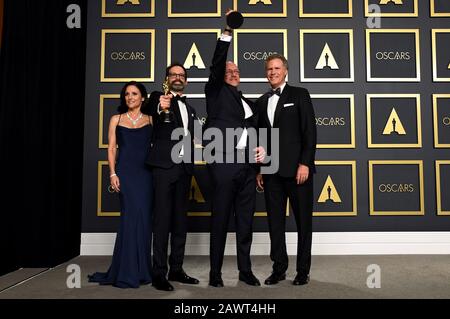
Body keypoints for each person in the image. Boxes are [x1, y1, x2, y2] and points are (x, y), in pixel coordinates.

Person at [204, 11, 265, 288]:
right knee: (219, 221)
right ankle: (215, 274)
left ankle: (245, 270)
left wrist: (260, 164)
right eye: (229, 71)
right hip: (223, 166)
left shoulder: (249, 103)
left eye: (237, 71)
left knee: (245, 223)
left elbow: (258, 136)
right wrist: (227, 32)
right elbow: (217, 65)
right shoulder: (215, 92)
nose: (233, 73)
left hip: (247, 169)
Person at [256, 54, 317, 286]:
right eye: (269, 69)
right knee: (275, 224)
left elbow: (309, 132)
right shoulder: (262, 101)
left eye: (277, 68)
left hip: (297, 171)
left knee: (303, 223)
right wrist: (260, 169)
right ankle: (279, 268)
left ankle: (303, 271)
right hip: (271, 172)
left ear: (285, 71)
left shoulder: (300, 94)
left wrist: (305, 163)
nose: (273, 72)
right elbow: (262, 138)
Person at [88, 81, 153, 288]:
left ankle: (143, 271)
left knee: (143, 221)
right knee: (129, 219)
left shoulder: (151, 119)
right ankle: (126, 271)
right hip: (125, 173)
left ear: (143, 97)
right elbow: (111, 148)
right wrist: (113, 173)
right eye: (127, 94)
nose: (130, 97)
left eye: (134, 93)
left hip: (145, 175)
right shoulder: (116, 119)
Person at [146, 63, 199, 291]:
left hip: (184, 168)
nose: (178, 78)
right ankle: (159, 273)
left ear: (186, 81)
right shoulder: (158, 97)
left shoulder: (192, 109)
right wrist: (160, 105)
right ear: (166, 79)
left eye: (181, 75)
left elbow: (197, 137)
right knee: (162, 221)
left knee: (180, 221)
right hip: (164, 167)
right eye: (173, 74)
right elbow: (150, 110)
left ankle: (176, 268)